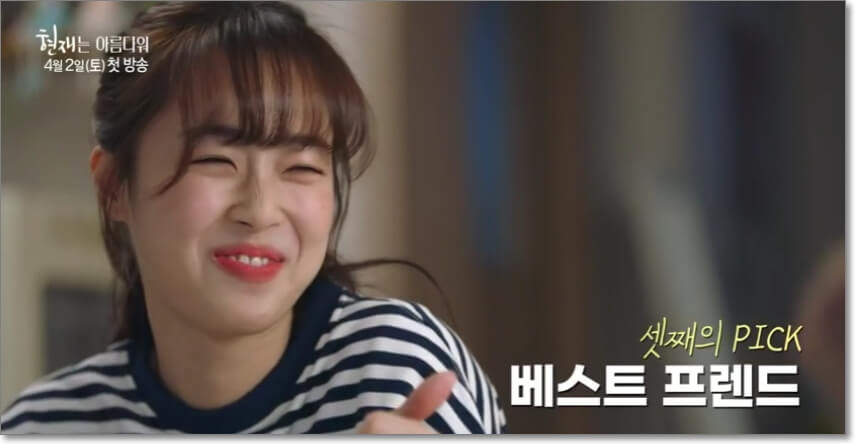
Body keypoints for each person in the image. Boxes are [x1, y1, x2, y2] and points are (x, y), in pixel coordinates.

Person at [1, 2, 506, 434]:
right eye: (215, 160)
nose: (260, 211)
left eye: (302, 167)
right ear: (114, 186)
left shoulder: (397, 373)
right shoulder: (43, 426)